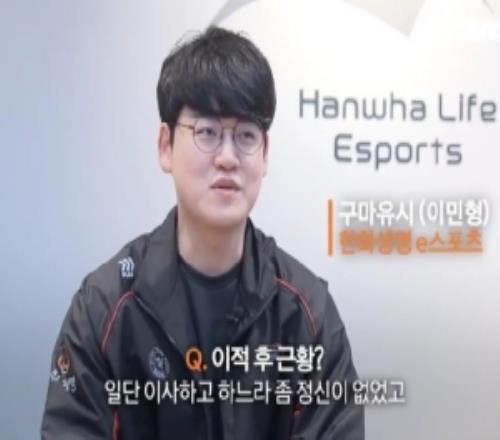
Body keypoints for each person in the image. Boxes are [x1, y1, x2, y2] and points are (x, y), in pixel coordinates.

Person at [41, 26, 364, 439]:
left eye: (245, 135)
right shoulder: (104, 309)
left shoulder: (306, 313)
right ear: (165, 146)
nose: (228, 157)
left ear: (264, 154)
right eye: (207, 132)